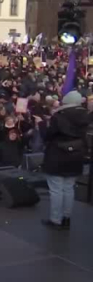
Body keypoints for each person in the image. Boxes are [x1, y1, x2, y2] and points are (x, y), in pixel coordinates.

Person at [42, 91, 88, 229]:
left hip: (58, 155)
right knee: (69, 188)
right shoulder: (85, 116)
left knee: (56, 189)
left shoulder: (59, 116)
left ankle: (55, 219)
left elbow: (48, 135)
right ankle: (66, 218)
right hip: (76, 155)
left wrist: (42, 124)